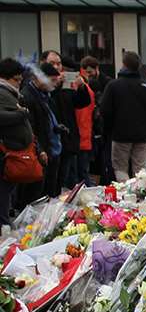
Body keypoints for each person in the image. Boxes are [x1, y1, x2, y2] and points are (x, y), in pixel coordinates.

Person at [100, 51, 146, 181]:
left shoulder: (113, 85)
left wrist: (111, 128)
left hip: (120, 134)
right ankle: (140, 191)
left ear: (124, 66)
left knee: (120, 168)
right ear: (139, 67)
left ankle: (125, 190)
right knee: (140, 170)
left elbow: (105, 110)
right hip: (142, 135)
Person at [18, 62, 63, 203]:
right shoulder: (28, 97)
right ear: (39, 78)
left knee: (49, 191)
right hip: (39, 152)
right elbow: (29, 127)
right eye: (51, 80)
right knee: (35, 194)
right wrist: (40, 149)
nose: (54, 84)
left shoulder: (45, 95)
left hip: (52, 150)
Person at [0, 58, 35, 227]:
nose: (19, 83)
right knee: (4, 190)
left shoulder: (9, 92)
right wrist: (22, 113)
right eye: (16, 79)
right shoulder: (2, 92)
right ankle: (3, 224)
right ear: (4, 77)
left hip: (13, 151)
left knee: (7, 189)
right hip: (6, 152)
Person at [51, 61, 90, 192]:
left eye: (58, 64)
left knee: (64, 178)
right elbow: (50, 99)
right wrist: (56, 86)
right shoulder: (45, 89)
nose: (56, 67)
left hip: (68, 138)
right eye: (52, 63)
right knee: (53, 179)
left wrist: (81, 88)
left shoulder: (66, 89)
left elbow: (81, 103)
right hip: (52, 139)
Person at [72, 57, 99, 186]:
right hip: (86, 136)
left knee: (75, 175)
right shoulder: (88, 89)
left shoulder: (73, 88)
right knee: (83, 173)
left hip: (77, 136)